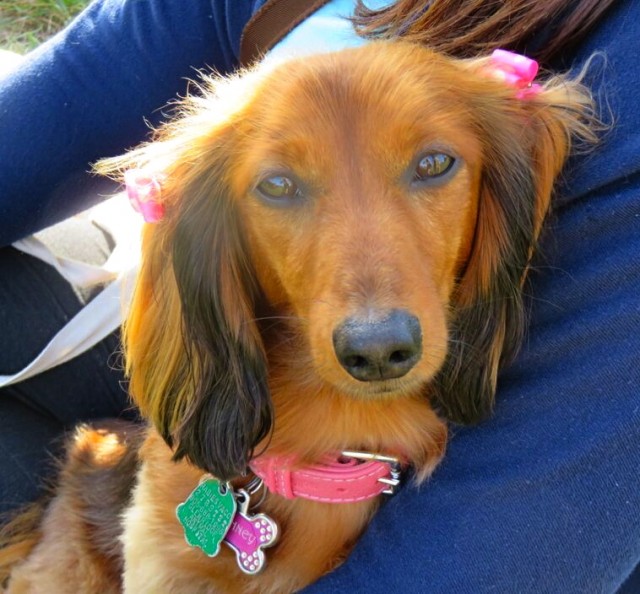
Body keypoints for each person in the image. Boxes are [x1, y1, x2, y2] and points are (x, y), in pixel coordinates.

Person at [1, 0, 638, 591]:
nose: (375, 331)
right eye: (280, 185)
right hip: (214, 423)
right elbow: (65, 97)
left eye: (433, 166)